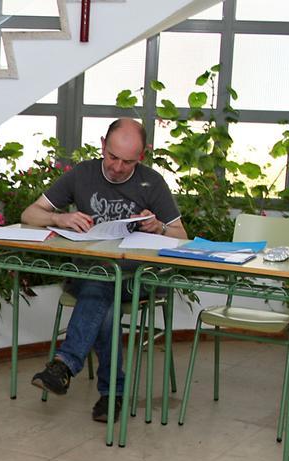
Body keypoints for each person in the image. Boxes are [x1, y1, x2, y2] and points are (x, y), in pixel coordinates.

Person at [21, 118, 188, 421]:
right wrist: (60, 219)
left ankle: (65, 365)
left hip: (136, 278)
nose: (117, 167)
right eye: (112, 157)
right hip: (86, 275)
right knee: (102, 293)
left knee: (104, 291)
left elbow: (182, 238)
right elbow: (30, 213)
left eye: (128, 162)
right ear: (102, 145)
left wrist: (160, 227)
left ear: (141, 157)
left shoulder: (152, 182)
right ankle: (112, 395)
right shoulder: (82, 174)